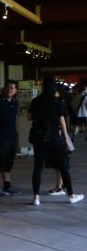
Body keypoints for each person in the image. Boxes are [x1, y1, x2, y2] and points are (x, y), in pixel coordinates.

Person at [29, 77, 83, 206]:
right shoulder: (58, 102)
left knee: (38, 168)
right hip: (54, 137)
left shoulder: (36, 100)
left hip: (39, 138)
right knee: (63, 166)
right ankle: (71, 195)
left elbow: (29, 117)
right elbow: (62, 121)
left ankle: (36, 198)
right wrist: (66, 138)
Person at [0, 80, 21, 196]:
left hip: (12, 135)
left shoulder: (14, 101)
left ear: (16, 90)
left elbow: (15, 119)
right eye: (8, 87)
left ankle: (7, 185)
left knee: (9, 160)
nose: (10, 90)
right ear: (4, 88)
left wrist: (17, 133)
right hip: (0, 135)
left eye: (12, 88)